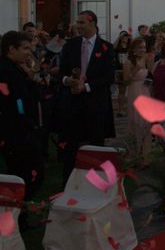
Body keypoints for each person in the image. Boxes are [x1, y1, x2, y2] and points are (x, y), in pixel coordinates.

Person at [58, 10, 116, 186]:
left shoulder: (106, 47)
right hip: (74, 103)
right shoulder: (71, 45)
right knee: (71, 145)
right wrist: (68, 80)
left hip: (96, 104)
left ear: (93, 24)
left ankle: (95, 183)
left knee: (95, 145)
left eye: (82, 22)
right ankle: (68, 183)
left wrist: (87, 86)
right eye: (78, 22)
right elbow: (62, 71)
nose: (78, 26)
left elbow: (108, 76)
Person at [0, 31, 45, 230]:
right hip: (16, 132)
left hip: (19, 130)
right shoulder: (7, 71)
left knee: (27, 173)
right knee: (27, 173)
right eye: (25, 48)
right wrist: (26, 122)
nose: (30, 52)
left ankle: (20, 215)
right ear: (11, 50)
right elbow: (16, 103)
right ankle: (18, 216)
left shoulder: (15, 69)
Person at [123, 37, 154, 166]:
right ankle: (134, 153)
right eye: (140, 47)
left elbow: (150, 75)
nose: (143, 50)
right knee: (136, 122)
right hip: (134, 92)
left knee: (147, 124)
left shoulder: (147, 59)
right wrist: (135, 69)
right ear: (134, 49)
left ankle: (145, 155)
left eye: (144, 47)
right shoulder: (129, 62)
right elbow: (125, 81)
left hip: (146, 92)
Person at [113, 31, 131, 117]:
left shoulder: (129, 46)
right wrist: (120, 37)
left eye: (126, 36)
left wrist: (129, 38)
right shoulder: (118, 46)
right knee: (121, 90)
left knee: (126, 90)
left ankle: (123, 108)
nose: (125, 38)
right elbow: (112, 47)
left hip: (128, 70)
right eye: (123, 36)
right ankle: (120, 109)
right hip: (119, 70)